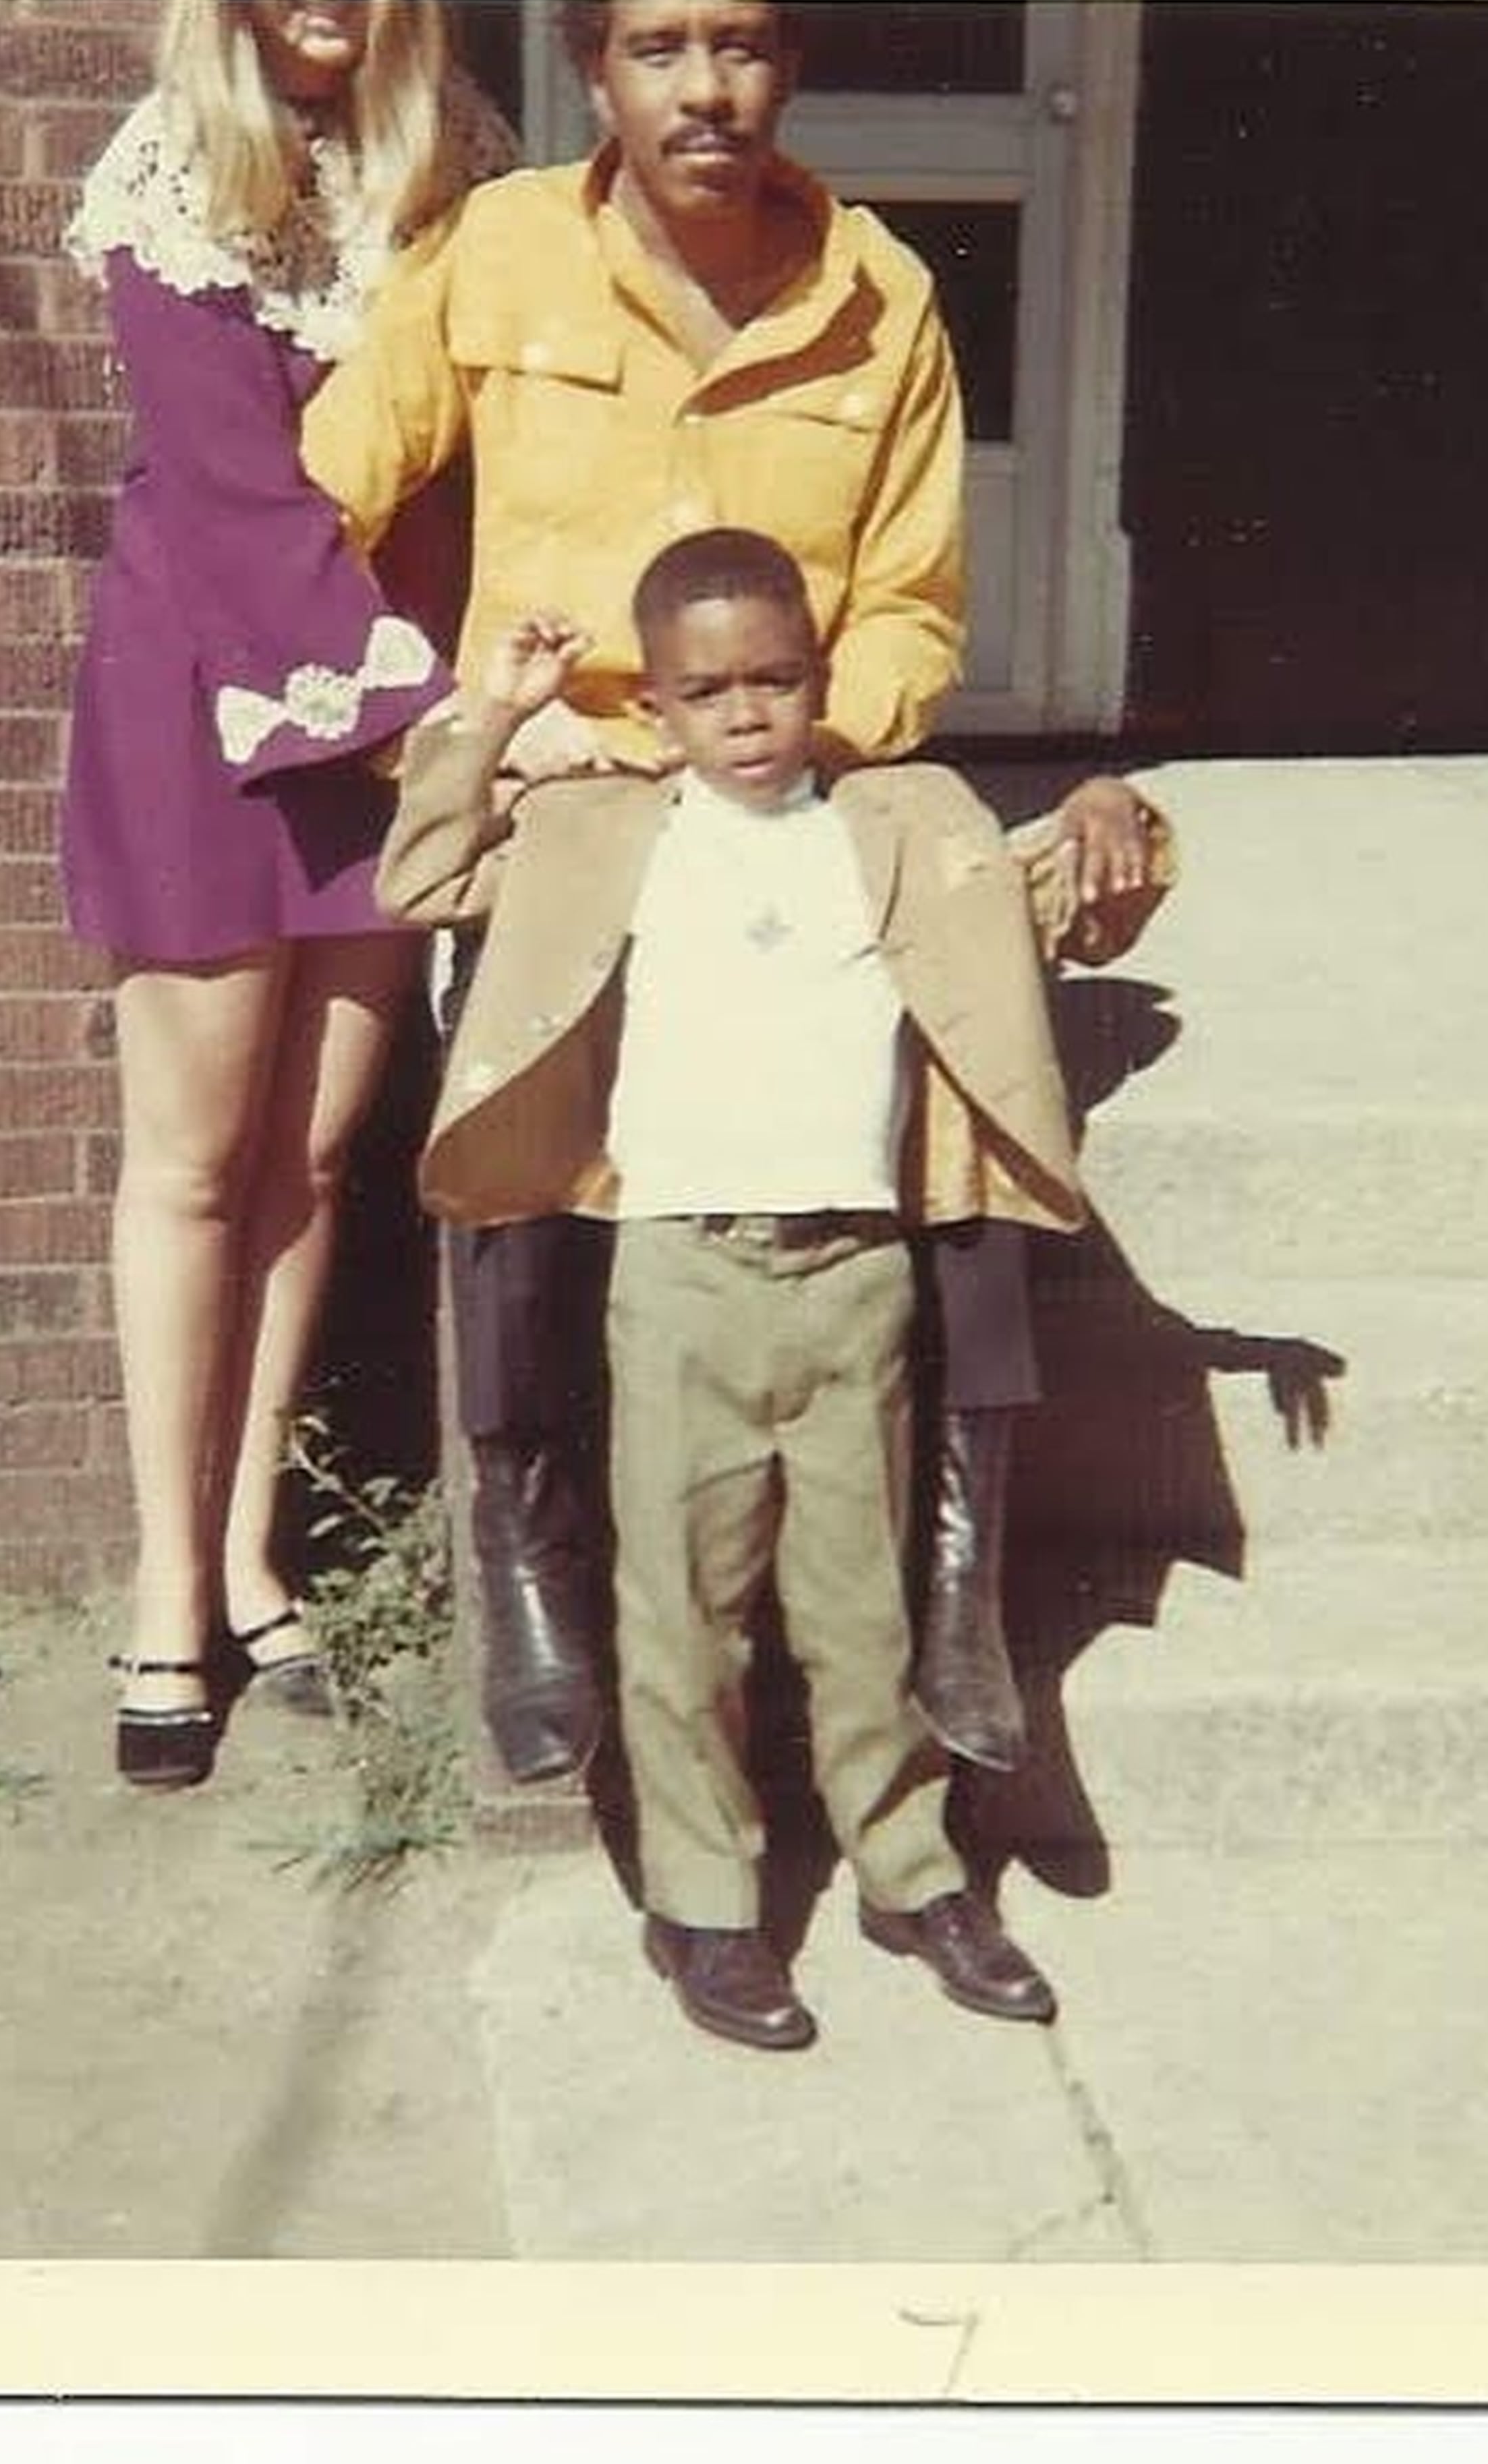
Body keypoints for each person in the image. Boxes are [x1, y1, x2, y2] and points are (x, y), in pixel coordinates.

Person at [306, 0, 1170, 1790]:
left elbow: (921, 604)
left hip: (796, 782)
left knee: (972, 1038)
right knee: (522, 1073)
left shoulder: (882, 296)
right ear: (592, 67)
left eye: (747, 44)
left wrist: (785, 748)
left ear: (795, 66)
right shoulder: (498, 254)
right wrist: (446, 727)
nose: (706, 89)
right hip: (578, 802)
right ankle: (535, 1550)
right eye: (656, 47)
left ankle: (954, 1570)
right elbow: (321, 509)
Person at [379, 529, 1113, 2048]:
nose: (747, 714)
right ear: (656, 707)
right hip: (681, 1279)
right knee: (685, 1607)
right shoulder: (607, 833)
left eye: (776, 680)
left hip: (855, 1279)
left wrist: (1114, 813)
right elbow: (424, 873)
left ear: (820, 680)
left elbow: (1065, 902)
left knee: (862, 1606)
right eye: (706, 690)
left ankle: (909, 1871)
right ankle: (703, 1904)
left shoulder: (898, 823)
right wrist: (499, 717)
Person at [60, 0, 514, 1788]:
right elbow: (238, 491)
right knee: (189, 1159)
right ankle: (165, 1582)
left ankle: (250, 1548)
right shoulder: (174, 161)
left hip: (390, 713)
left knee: (311, 1156)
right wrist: (431, 713)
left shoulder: (460, 155)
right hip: (214, 697)